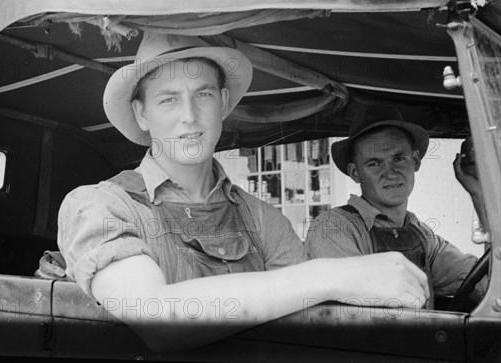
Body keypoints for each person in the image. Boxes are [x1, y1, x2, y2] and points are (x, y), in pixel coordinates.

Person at [57, 33, 429, 352]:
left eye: (202, 94)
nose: (189, 115)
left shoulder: (263, 220)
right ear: (141, 114)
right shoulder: (98, 206)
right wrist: (335, 275)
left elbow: (307, 332)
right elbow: (157, 318)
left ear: (221, 102)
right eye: (168, 99)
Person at [303, 107, 488, 308]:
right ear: (355, 173)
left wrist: (479, 193)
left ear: (415, 161)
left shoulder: (421, 235)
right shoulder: (334, 228)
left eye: (398, 159)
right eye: (374, 164)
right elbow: (355, 323)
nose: (390, 173)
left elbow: (487, 284)